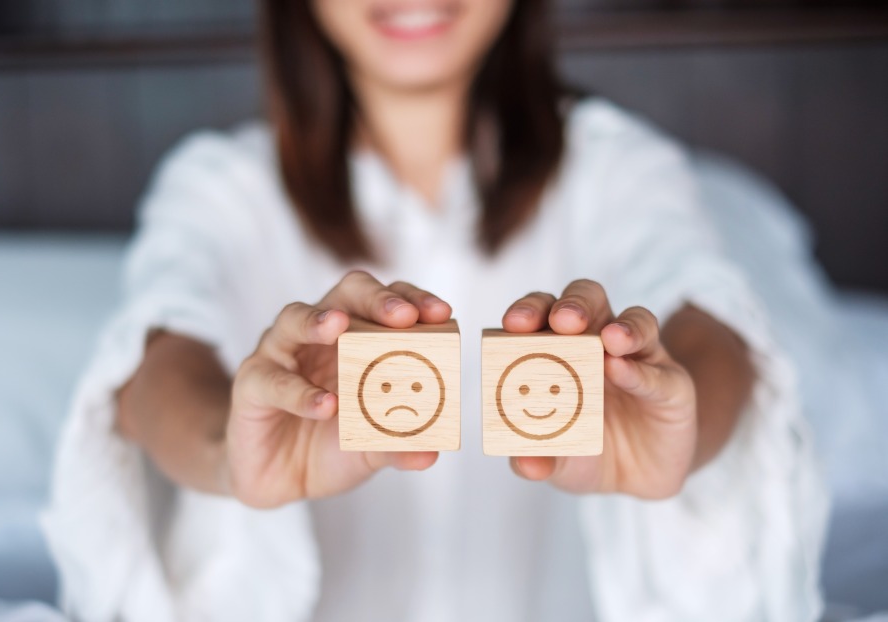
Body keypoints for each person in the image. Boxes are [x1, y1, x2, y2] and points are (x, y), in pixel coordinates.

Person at [43, 1, 828, 620]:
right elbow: (155, 362)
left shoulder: (619, 166)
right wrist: (227, 454)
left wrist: (677, 437)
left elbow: (708, 320)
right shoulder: (218, 185)